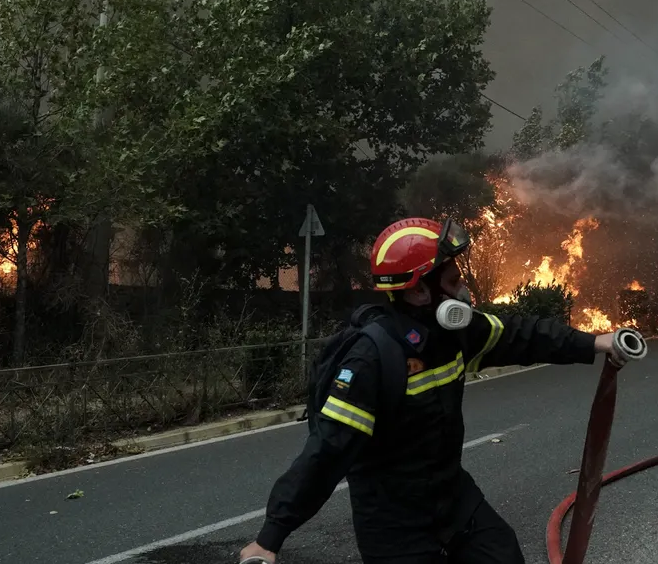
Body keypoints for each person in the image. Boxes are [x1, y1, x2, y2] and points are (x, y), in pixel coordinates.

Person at [239, 216, 622, 564]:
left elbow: (523, 337)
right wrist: (270, 539)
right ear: (420, 291)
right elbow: (326, 453)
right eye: (454, 281)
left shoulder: (455, 334)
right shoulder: (371, 360)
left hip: (453, 499)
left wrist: (593, 343)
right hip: (394, 525)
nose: (464, 290)